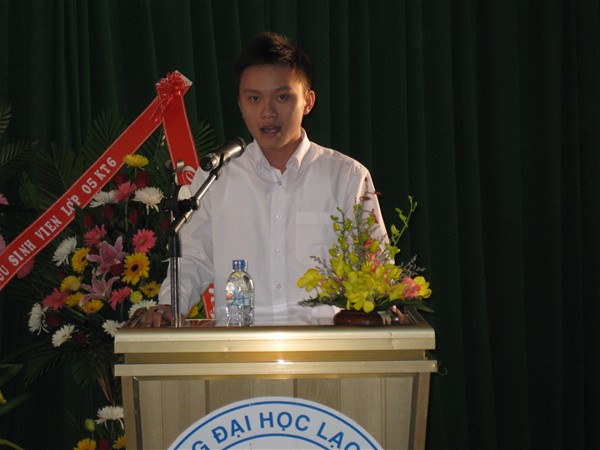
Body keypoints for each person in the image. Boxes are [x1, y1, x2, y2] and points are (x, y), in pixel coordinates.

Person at [136, 31, 387, 326]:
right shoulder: (215, 176)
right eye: (254, 98)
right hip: (237, 349)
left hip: (324, 348)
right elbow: (192, 258)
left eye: (282, 97)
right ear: (240, 104)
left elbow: (376, 265)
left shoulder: (346, 177)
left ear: (308, 102)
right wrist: (169, 305)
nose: (267, 112)